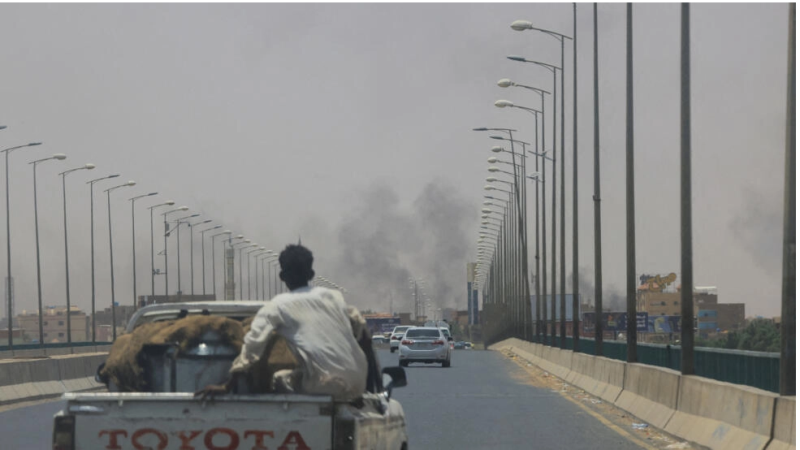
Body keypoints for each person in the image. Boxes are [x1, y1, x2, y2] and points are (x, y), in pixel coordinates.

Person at [197, 244, 368, 401]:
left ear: (282, 276)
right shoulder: (334, 297)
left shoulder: (277, 306)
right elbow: (359, 323)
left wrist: (227, 386)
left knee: (280, 379)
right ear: (311, 275)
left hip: (324, 385)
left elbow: (252, 347)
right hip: (360, 381)